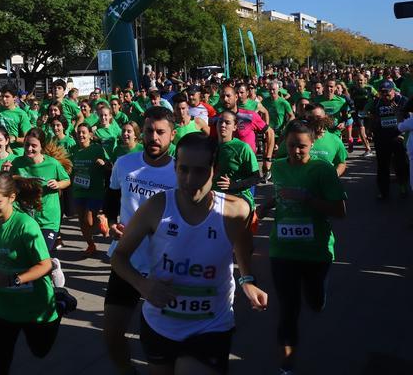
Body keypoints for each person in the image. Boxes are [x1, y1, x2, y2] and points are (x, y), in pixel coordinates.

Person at [112, 132, 268, 375]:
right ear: (175, 167)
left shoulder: (237, 210)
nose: (189, 179)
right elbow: (119, 256)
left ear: (214, 170)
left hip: (210, 326)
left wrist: (247, 279)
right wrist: (143, 286)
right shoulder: (156, 207)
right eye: (183, 169)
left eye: (200, 171)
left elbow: (242, 246)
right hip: (160, 324)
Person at [256, 120, 347, 374]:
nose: (296, 151)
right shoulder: (279, 166)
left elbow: (340, 211)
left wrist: (308, 199)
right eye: (292, 145)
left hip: (316, 251)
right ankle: (287, 366)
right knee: (288, 307)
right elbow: (281, 192)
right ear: (285, 142)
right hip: (283, 250)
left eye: (302, 147)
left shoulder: (323, 171)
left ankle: (318, 297)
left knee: (315, 300)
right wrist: (266, 206)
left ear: (312, 144)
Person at [0, 171, 77, 375]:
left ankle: (60, 302)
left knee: (40, 351)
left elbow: (45, 265)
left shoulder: (26, 225)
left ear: (12, 198)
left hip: (35, 304)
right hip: (4, 305)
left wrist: (13, 279)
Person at [103, 107, 177, 374]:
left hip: (164, 265)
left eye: (160, 132)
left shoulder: (180, 172)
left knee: (162, 343)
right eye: (149, 131)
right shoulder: (125, 164)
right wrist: (111, 224)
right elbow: (111, 202)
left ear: (172, 135)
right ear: (141, 133)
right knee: (111, 334)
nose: (154, 137)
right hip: (126, 261)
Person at [10, 128, 71, 254]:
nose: (29, 149)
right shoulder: (17, 163)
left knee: (41, 253)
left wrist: (58, 184)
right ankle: (52, 268)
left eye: (34, 146)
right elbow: (9, 184)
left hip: (48, 218)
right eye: (27, 145)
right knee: (28, 254)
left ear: (41, 146)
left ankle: (48, 268)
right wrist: (6, 173)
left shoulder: (52, 164)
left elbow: (67, 180)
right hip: (26, 217)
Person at [69, 123, 109, 256]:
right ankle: (91, 245)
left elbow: (108, 165)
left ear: (90, 135)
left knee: (89, 220)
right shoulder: (73, 149)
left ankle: (100, 219)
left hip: (95, 190)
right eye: (78, 132)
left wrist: (103, 164)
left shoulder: (97, 149)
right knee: (82, 220)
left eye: (84, 132)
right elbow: (68, 167)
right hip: (78, 190)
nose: (81, 135)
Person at [366, 80, 410, 199]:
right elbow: (372, 116)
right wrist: (369, 130)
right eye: (382, 93)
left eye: (387, 93)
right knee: (382, 165)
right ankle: (383, 191)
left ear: (393, 91)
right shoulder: (377, 102)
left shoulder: (403, 101)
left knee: (401, 164)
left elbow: (410, 118)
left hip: (399, 137)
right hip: (382, 137)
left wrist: (399, 113)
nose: (385, 95)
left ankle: (403, 186)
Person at [215, 111, 261, 212]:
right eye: (220, 122)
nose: (222, 125)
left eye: (227, 123)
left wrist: (234, 185)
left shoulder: (242, 148)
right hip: (215, 199)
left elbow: (256, 178)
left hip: (237, 200)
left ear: (235, 127)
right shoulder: (209, 146)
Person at [0, 85, 32, 155]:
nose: (4, 99)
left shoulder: (21, 114)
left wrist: (15, 139)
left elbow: (28, 138)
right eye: (2, 96)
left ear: (15, 98)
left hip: (16, 152)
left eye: (7, 96)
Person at [348, 73, 376, 155]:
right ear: (355, 81)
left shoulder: (369, 88)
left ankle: (371, 144)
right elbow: (348, 98)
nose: (359, 82)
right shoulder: (352, 89)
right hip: (358, 112)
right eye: (357, 80)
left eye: (361, 80)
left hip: (369, 112)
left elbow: (378, 96)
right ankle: (368, 149)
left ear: (364, 80)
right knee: (361, 130)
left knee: (369, 132)